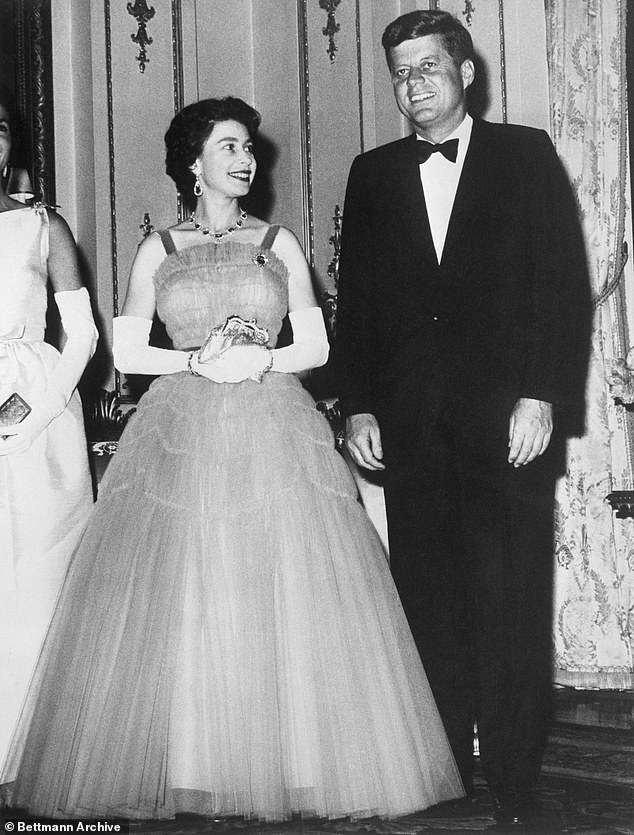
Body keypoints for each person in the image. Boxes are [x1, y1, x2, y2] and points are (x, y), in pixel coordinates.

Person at [1, 96, 463, 822]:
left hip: (272, 422)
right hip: (180, 429)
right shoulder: (161, 248)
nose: (246, 159)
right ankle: (195, 763)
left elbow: (315, 345)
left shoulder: (277, 242)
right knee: (191, 589)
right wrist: (197, 360)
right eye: (230, 146)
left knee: (275, 585)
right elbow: (123, 348)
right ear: (194, 161)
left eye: (249, 147)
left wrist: (255, 359)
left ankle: (291, 762)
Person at [336, 10, 591, 827]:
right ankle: (443, 767)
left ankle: (515, 781)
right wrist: (358, 402)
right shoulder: (371, 173)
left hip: (505, 423)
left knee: (509, 601)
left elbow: (560, 287)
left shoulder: (525, 155)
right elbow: (361, 303)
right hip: (411, 427)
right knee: (429, 605)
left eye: (428, 68)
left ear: (465, 71)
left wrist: (542, 393)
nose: (414, 85)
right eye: (401, 71)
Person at [0, 89, 97, 772]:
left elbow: (85, 332)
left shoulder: (42, 225)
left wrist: (34, 406)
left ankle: (29, 755)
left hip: (36, 411)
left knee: (36, 587)